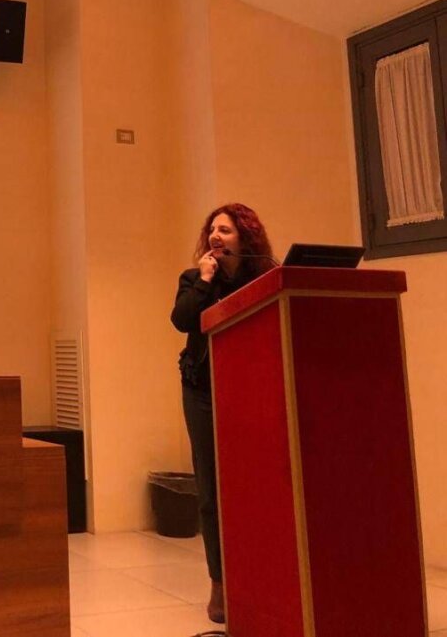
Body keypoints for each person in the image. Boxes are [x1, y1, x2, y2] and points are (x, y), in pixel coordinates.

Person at [169, 203, 275, 625]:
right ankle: (219, 582)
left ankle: (260, 575)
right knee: (211, 490)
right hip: (202, 391)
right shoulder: (194, 279)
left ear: (245, 239)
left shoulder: (266, 277)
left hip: (251, 391)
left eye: (226, 230)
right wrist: (206, 280)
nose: (215, 236)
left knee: (254, 484)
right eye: (212, 229)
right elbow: (182, 320)